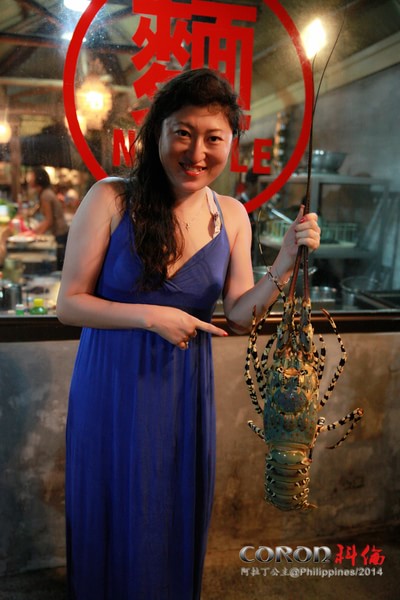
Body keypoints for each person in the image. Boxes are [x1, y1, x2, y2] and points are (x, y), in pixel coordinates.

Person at [57, 68, 320, 600]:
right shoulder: (111, 198)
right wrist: (150, 317)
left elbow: (240, 316)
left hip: (182, 390)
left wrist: (286, 262)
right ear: (157, 133)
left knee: (167, 508)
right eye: (183, 133)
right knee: (112, 503)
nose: (197, 152)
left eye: (213, 138)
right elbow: (69, 304)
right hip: (112, 382)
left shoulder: (233, 216)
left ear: (231, 144)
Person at [28, 167, 69, 270]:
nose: (29, 179)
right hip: (62, 233)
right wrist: (34, 232)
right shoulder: (46, 193)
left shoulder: (45, 195)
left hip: (60, 234)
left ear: (38, 178)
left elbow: (49, 221)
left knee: (59, 268)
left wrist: (33, 235)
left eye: (31, 176)